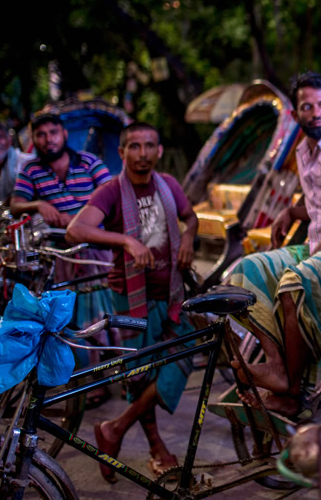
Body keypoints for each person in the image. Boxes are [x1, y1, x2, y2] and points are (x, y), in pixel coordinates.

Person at [227, 72, 321, 417]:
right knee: (244, 270)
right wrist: (291, 210)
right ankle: (275, 364)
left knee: (295, 280)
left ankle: (292, 389)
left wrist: (316, 256)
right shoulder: (303, 151)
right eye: (307, 107)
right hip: (320, 242)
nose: (316, 113)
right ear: (297, 114)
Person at [67, 121, 198, 482]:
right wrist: (125, 242)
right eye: (134, 147)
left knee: (183, 355)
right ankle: (158, 449)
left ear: (158, 150)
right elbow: (76, 229)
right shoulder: (110, 191)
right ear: (121, 152)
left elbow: (190, 217)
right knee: (140, 376)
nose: (142, 154)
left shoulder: (169, 185)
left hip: (170, 295)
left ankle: (115, 429)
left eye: (149, 146)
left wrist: (188, 238)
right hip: (128, 300)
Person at [10, 111, 117, 406]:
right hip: (61, 255)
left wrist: (80, 220)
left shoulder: (89, 163)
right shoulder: (31, 171)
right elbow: (16, 204)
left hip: (97, 249)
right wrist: (39, 204)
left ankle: (115, 373)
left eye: (53, 133)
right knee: (73, 318)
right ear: (34, 140)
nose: (48, 140)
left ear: (64, 135)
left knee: (106, 314)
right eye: (41, 135)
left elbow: (112, 197)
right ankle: (91, 381)